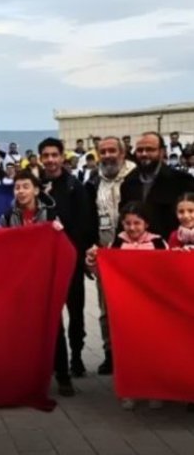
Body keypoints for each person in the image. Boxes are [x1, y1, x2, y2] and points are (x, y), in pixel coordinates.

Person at [86, 202, 166, 411]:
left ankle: (154, 390)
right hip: (125, 311)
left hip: (152, 310)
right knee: (128, 352)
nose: (132, 228)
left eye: (137, 223)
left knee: (153, 352)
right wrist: (93, 261)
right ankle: (130, 391)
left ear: (146, 223)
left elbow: (168, 274)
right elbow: (103, 272)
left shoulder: (158, 243)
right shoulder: (116, 244)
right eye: (128, 223)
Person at [39, 137, 95, 390]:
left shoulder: (76, 186)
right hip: (45, 263)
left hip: (71, 260)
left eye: (54, 155)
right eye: (46, 155)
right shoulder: (37, 186)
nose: (50, 160)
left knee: (76, 312)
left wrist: (82, 257)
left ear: (62, 157)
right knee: (52, 315)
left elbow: (85, 223)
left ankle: (77, 357)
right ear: (40, 158)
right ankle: (57, 364)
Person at [83, 137, 136, 375]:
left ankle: (136, 353)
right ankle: (110, 354)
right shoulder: (93, 181)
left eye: (112, 150)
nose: (107, 155)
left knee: (135, 309)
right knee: (106, 310)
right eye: (102, 151)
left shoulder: (135, 178)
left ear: (122, 153)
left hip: (136, 255)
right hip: (107, 257)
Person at [119, 132, 194, 241]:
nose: (144, 154)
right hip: (135, 248)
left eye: (150, 149)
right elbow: (123, 217)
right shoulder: (129, 181)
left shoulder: (181, 181)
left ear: (162, 151)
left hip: (172, 247)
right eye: (140, 150)